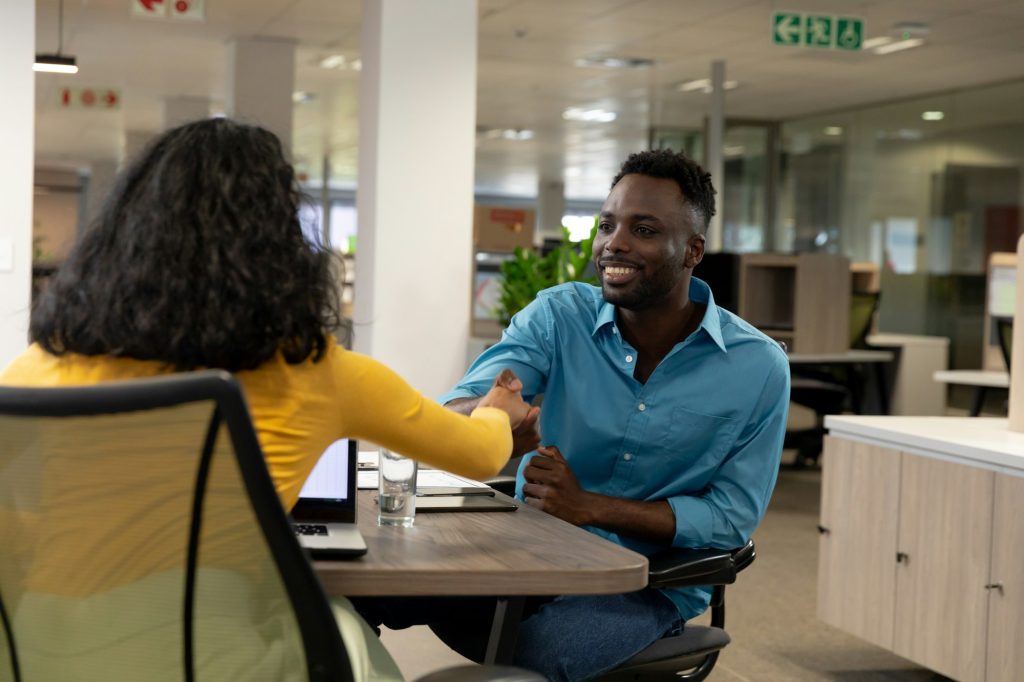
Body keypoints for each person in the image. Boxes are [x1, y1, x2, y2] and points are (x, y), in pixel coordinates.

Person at [0, 117, 537, 681]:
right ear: (280, 247)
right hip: (214, 662)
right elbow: (479, 455)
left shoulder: (36, 370)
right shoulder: (321, 372)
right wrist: (495, 411)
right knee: (342, 627)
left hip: (32, 658)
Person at [355, 149, 790, 681]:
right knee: (358, 583)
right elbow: (461, 405)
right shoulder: (560, 316)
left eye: (644, 229)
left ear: (692, 250)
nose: (614, 244)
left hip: (646, 582)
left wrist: (589, 507)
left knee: (547, 652)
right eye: (608, 224)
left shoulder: (757, 367)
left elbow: (730, 516)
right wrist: (492, 416)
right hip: (528, 557)